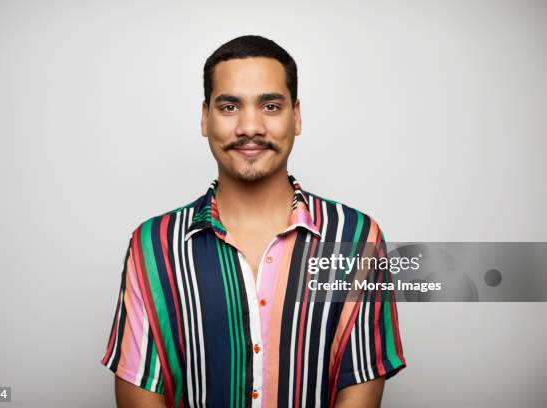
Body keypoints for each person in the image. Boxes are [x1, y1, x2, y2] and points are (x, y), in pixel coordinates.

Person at [101, 35, 406, 408]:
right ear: (204, 117)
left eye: (270, 106)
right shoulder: (153, 245)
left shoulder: (355, 239)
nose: (250, 126)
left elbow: (359, 388)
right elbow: (140, 392)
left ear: (296, 117)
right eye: (229, 106)